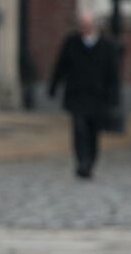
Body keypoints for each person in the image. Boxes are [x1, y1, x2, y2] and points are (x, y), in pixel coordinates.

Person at [48, 10, 121, 179]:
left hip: (98, 96)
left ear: (94, 26)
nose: (84, 28)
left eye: (87, 25)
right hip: (77, 95)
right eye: (82, 25)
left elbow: (113, 74)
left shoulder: (106, 45)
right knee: (79, 129)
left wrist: (113, 98)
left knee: (93, 132)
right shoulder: (71, 42)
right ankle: (82, 161)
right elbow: (61, 66)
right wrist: (53, 87)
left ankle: (90, 161)